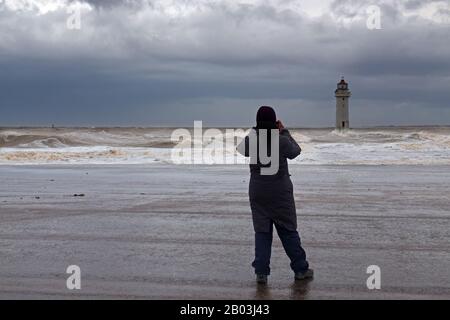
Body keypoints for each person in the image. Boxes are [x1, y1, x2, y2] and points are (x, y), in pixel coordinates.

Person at [237, 106, 313, 284]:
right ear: (274, 122)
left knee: (262, 232)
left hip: (258, 192)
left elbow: (241, 149)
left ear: (257, 123)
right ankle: (300, 269)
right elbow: (296, 151)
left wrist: (256, 130)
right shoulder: (280, 140)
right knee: (288, 230)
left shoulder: (253, 141)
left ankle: (261, 273)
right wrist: (284, 131)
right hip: (280, 192)